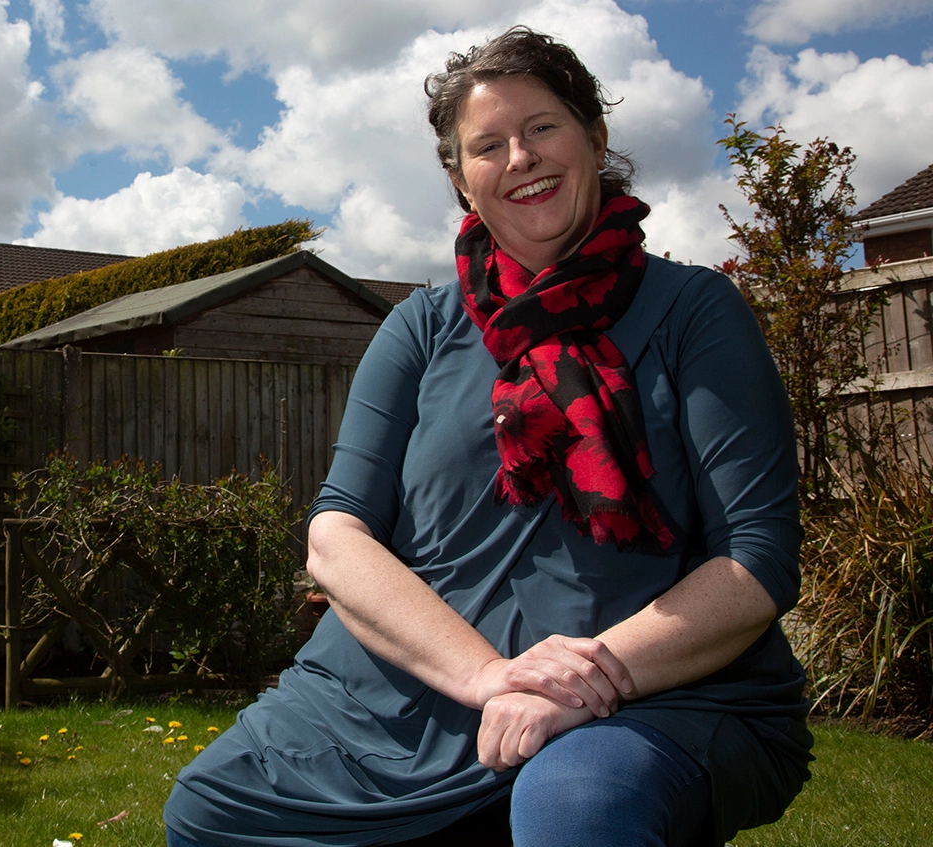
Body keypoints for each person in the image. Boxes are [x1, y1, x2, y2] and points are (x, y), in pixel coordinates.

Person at [163, 26, 812, 847]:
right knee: (210, 810)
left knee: (578, 805)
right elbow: (336, 536)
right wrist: (492, 677)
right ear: (460, 180)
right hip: (415, 690)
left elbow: (756, 558)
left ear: (595, 139)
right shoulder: (421, 327)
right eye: (488, 145)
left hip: (649, 690)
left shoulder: (695, 312)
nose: (521, 158)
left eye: (542, 127)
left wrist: (577, 681)